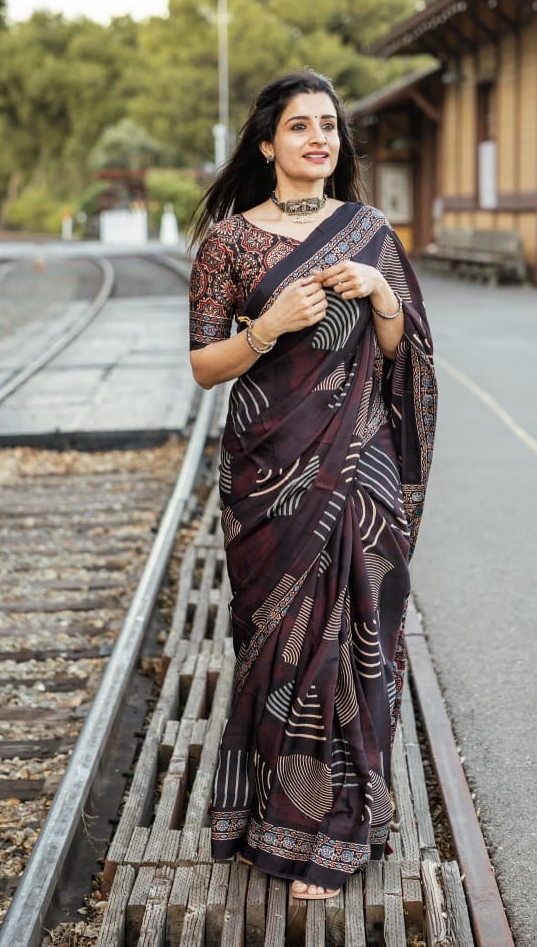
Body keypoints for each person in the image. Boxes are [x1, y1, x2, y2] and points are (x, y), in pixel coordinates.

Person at [188, 69, 437, 901]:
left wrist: (381, 298)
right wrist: (266, 328)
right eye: (300, 126)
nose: (318, 138)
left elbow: (411, 362)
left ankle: (336, 830)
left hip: (358, 471)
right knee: (274, 645)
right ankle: (270, 817)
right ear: (268, 144)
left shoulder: (370, 232)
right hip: (265, 481)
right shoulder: (227, 243)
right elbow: (203, 367)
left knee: (357, 642)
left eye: (328, 125)